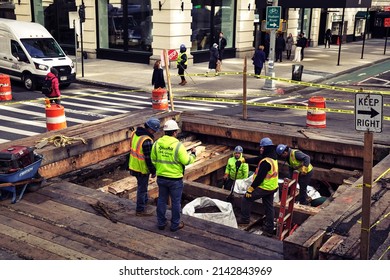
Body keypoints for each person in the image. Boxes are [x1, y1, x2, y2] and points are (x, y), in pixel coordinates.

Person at [151, 119, 196, 232]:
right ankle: (174, 225)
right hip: (175, 179)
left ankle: (161, 223)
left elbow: (153, 159)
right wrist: (193, 155)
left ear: (165, 132)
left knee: (161, 200)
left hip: (161, 177)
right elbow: (186, 161)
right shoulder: (177, 146)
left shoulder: (157, 143)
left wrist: (161, 169)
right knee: (176, 202)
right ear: (175, 132)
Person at [239, 137, 278, 237]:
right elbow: (257, 159)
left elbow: (259, 178)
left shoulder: (266, 162)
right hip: (272, 187)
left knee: (246, 199)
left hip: (264, 187)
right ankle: (269, 228)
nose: (260, 149)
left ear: (267, 148)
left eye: (262, 148)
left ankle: (244, 219)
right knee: (269, 206)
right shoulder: (272, 157)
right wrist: (244, 160)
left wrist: (251, 189)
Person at [129, 117, 161, 216]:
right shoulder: (146, 140)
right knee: (142, 189)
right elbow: (148, 159)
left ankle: (145, 201)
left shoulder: (135, 133)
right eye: (154, 131)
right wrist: (153, 171)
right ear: (151, 129)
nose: (154, 133)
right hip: (142, 169)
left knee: (142, 186)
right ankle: (140, 210)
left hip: (133, 165)